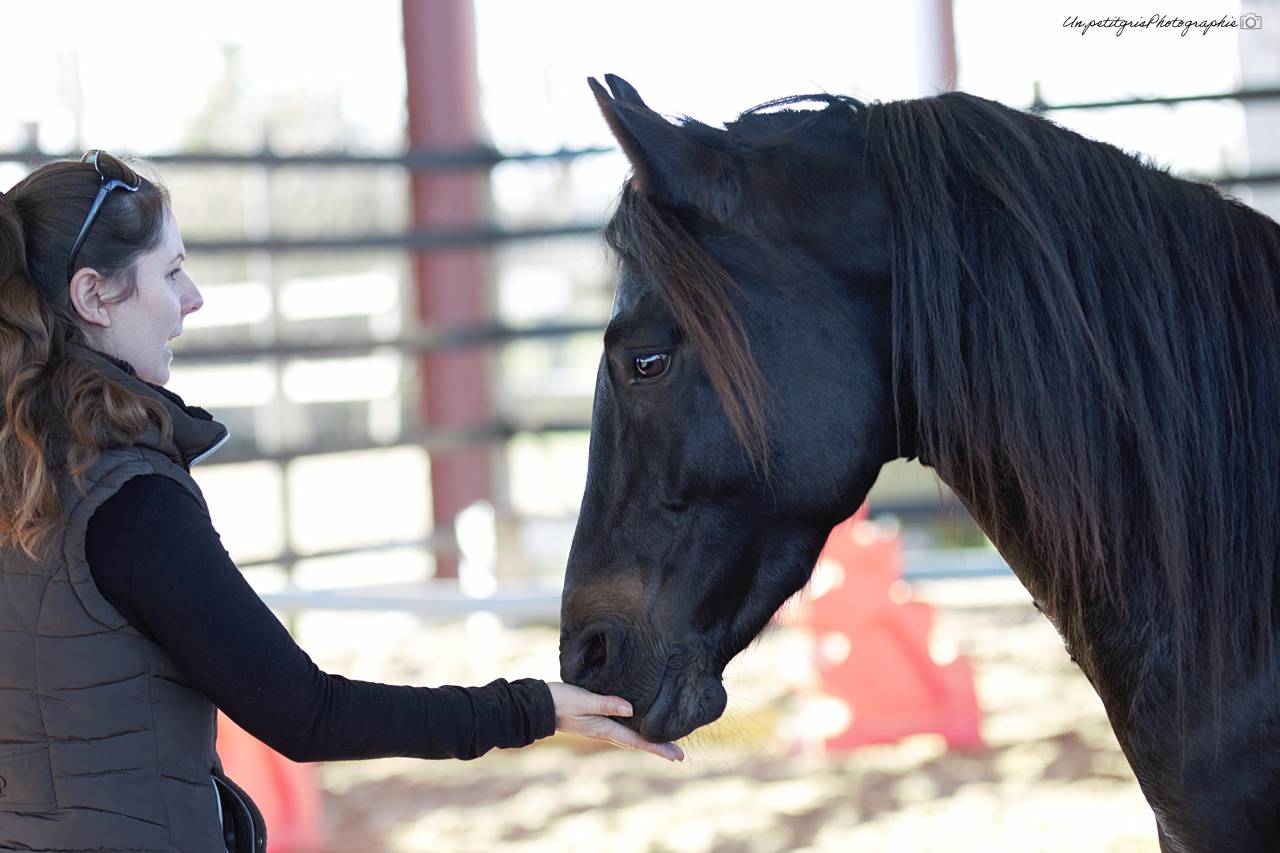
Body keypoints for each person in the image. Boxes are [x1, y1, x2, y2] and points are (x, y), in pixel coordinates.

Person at [0, 152, 681, 853]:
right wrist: (532, 708)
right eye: (170, 272)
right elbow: (307, 713)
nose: (193, 297)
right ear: (93, 295)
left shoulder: (27, 477)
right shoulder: (132, 503)